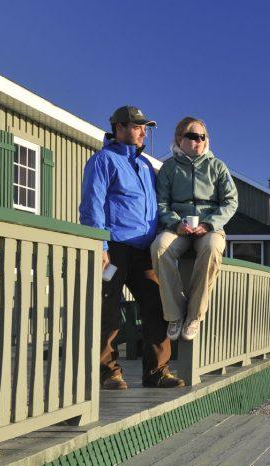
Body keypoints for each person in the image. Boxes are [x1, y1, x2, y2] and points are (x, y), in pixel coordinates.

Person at [80, 105, 185, 390]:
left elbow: (155, 207)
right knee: (108, 308)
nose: (143, 133)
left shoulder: (145, 166)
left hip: (143, 251)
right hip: (113, 249)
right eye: (138, 127)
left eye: (145, 128)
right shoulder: (103, 161)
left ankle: (156, 372)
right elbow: (92, 205)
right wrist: (99, 245)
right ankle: (108, 372)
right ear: (120, 128)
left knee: (157, 304)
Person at [151, 117, 238, 342]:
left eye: (202, 137)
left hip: (209, 228)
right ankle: (175, 314)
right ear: (179, 138)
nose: (198, 141)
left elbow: (230, 202)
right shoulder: (169, 168)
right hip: (178, 227)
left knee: (212, 248)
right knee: (159, 247)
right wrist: (175, 223)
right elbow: (161, 203)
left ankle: (194, 315)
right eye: (193, 136)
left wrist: (209, 224)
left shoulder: (217, 167)